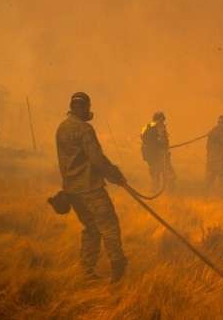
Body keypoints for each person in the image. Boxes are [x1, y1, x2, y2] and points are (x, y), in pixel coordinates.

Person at [56, 92, 127, 282]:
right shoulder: (84, 129)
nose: (88, 111)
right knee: (109, 225)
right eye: (87, 107)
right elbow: (96, 160)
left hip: (72, 191)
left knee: (92, 228)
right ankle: (118, 266)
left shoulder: (62, 128)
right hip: (90, 189)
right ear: (82, 107)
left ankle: (87, 272)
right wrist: (115, 175)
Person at [140, 111, 176, 191]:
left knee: (155, 176)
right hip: (159, 155)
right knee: (169, 175)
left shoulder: (146, 127)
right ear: (160, 119)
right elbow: (162, 141)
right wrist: (162, 148)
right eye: (162, 120)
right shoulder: (159, 127)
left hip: (150, 156)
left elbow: (143, 139)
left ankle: (155, 191)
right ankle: (170, 193)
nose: (162, 122)